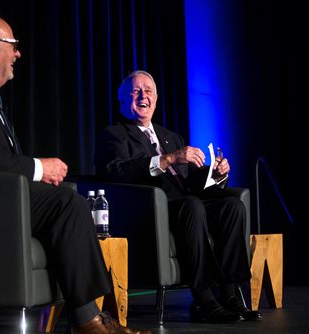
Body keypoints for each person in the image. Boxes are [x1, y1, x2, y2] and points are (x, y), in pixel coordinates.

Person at [0, 14, 151, 334]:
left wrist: (37, 174)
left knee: (67, 198)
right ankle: (88, 321)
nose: (17, 54)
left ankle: (94, 315)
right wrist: (38, 168)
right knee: (67, 204)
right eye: (12, 46)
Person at [94, 70, 262, 324]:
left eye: (149, 91)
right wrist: (168, 158)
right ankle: (203, 299)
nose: (143, 96)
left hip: (186, 205)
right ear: (122, 100)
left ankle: (229, 294)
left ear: (156, 98)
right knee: (192, 205)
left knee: (232, 206)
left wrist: (215, 174)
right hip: (150, 211)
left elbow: (191, 181)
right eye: (136, 91)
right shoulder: (114, 134)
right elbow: (115, 170)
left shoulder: (170, 136)